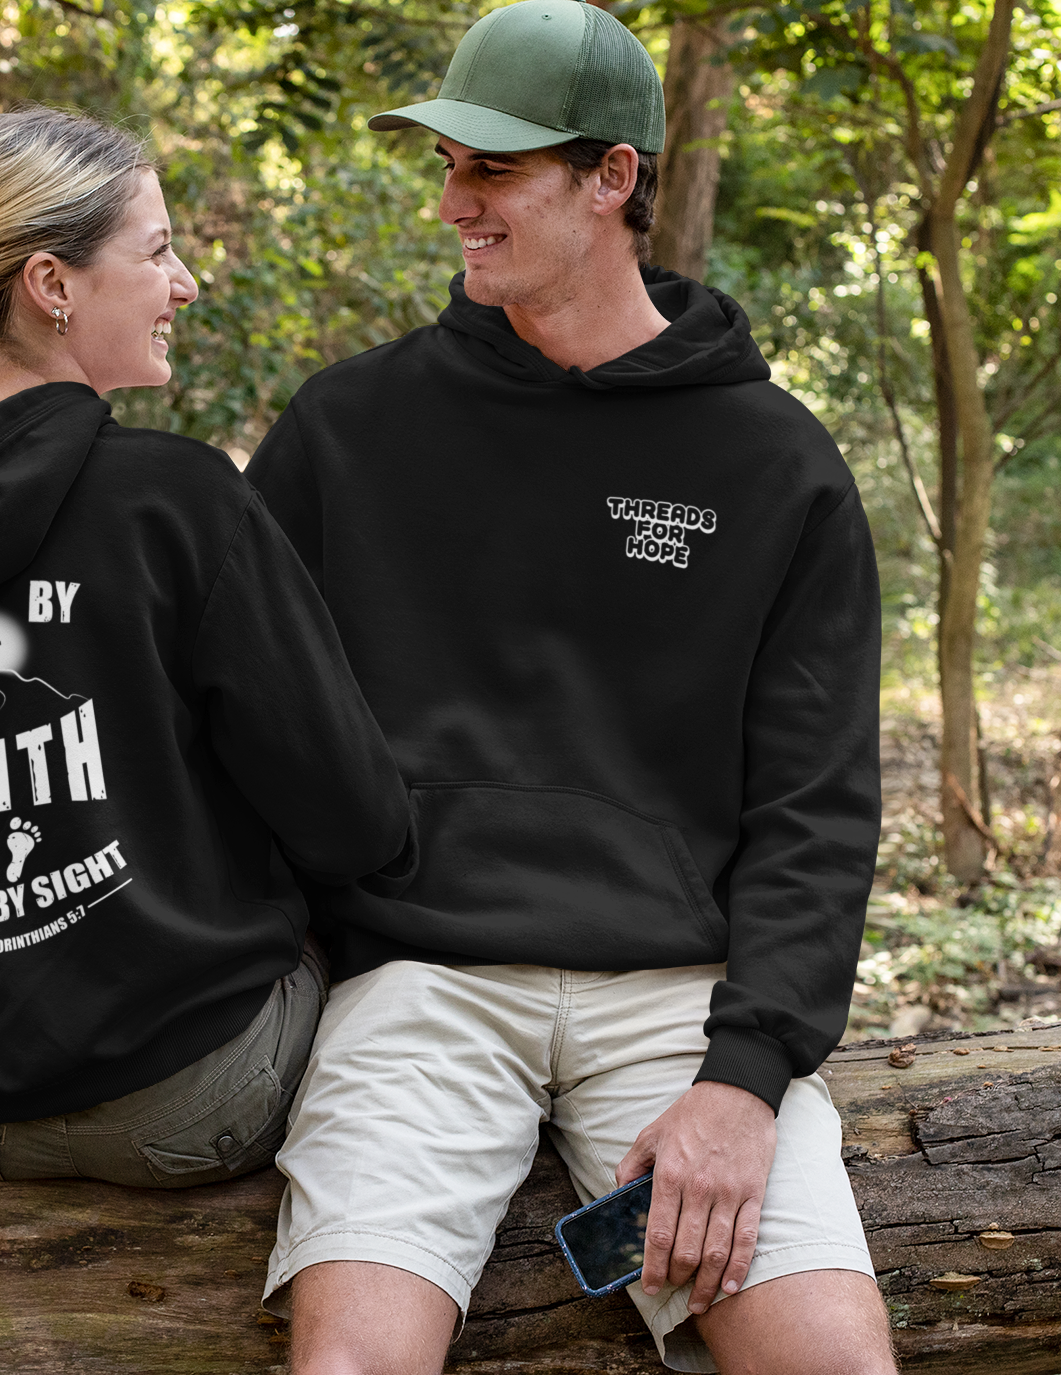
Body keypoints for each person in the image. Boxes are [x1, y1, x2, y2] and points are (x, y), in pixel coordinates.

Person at [241, 4, 892, 1372]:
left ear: (613, 178)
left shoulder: (773, 465)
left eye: (492, 171)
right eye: (448, 166)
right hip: (419, 978)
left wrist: (748, 1073)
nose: (451, 202)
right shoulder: (346, 433)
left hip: (680, 992)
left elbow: (817, 804)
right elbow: (208, 713)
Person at [0, 105, 413, 1190]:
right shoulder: (173, 501)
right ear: (52, 285)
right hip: (182, 1098)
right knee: (419, 985)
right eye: (159, 251)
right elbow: (355, 819)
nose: (185, 286)